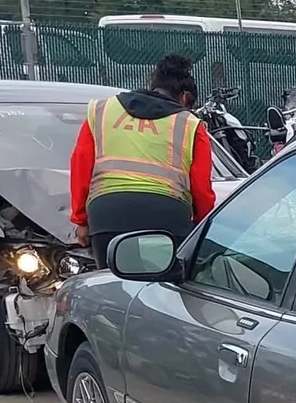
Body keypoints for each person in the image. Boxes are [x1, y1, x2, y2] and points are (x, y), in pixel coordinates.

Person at [69, 53, 217, 265]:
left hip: (107, 214)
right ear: (185, 97)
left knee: (111, 280)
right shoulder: (190, 124)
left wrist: (80, 220)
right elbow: (202, 188)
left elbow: (81, 167)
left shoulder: (103, 111)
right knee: (165, 283)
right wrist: (200, 228)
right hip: (167, 216)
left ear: (152, 85)